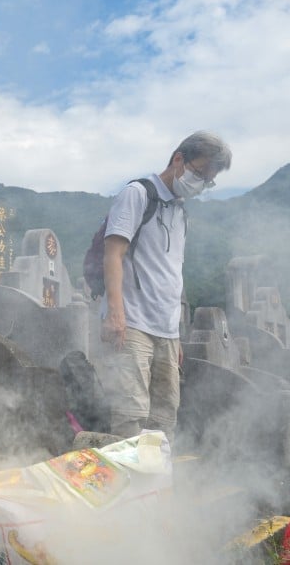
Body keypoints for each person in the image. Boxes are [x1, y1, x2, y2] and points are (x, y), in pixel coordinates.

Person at [100, 131, 232, 442]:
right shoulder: (137, 194)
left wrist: (175, 335)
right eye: (199, 174)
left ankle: (156, 487)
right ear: (178, 160)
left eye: (208, 181)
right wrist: (116, 315)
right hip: (132, 323)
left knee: (165, 416)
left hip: (166, 332)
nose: (200, 185)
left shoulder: (180, 211)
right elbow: (113, 253)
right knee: (131, 415)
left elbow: (170, 274)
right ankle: (128, 489)